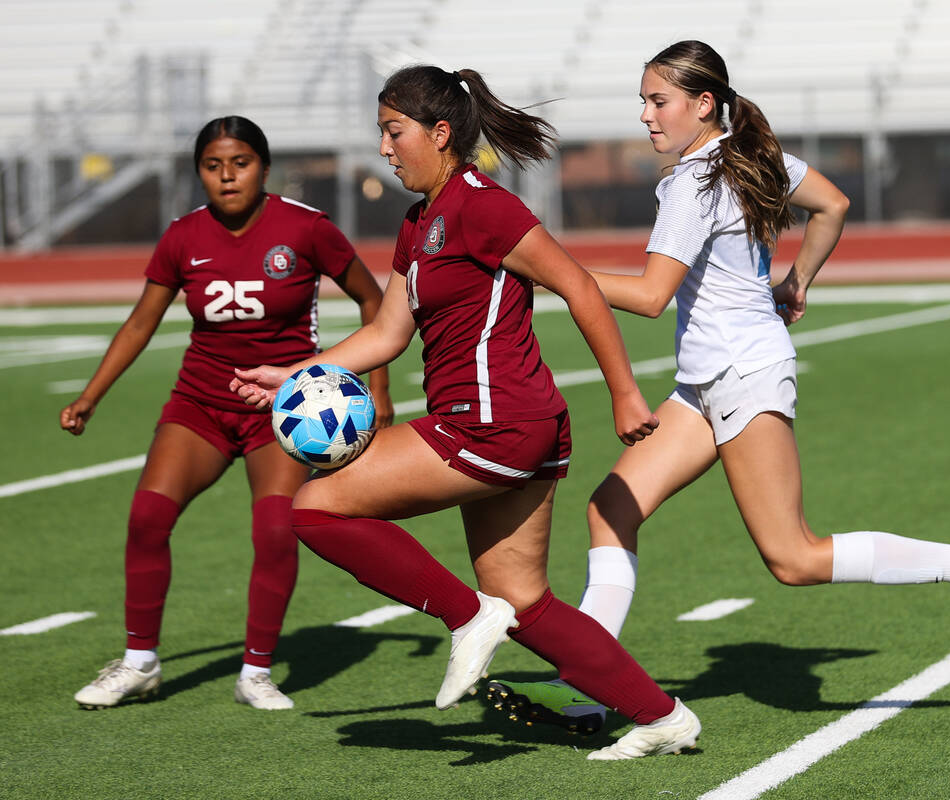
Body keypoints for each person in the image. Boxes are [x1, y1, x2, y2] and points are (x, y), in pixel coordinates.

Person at [487, 39, 950, 734]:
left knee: (792, 557)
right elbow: (833, 203)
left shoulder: (695, 180)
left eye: (659, 101)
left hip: (743, 375)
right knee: (610, 510)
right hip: (706, 384)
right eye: (643, 101)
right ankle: (590, 687)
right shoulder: (746, 151)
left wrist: (549, 271)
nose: (646, 116)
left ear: (703, 104)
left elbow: (652, 296)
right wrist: (796, 280)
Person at [230, 65, 700, 761]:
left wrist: (624, 390)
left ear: (440, 133)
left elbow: (578, 286)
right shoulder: (418, 223)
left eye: (394, 132)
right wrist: (293, 374)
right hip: (515, 426)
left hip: (494, 423)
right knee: (525, 601)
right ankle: (661, 717)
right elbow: (389, 333)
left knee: (313, 508)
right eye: (381, 134)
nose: (385, 149)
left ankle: (466, 617)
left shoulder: (484, 206)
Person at [62, 115, 392, 711]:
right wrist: (91, 396)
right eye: (213, 166)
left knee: (273, 531)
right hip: (200, 406)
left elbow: (375, 299)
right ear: (199, 173)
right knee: (146, 517)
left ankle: (256, 673)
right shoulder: (183, 236)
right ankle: (139, 663)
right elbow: (141, 322)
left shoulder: (306, 228)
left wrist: (381, 392)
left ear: (264, 167)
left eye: (239, 163)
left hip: (281, 412)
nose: (227, 176)